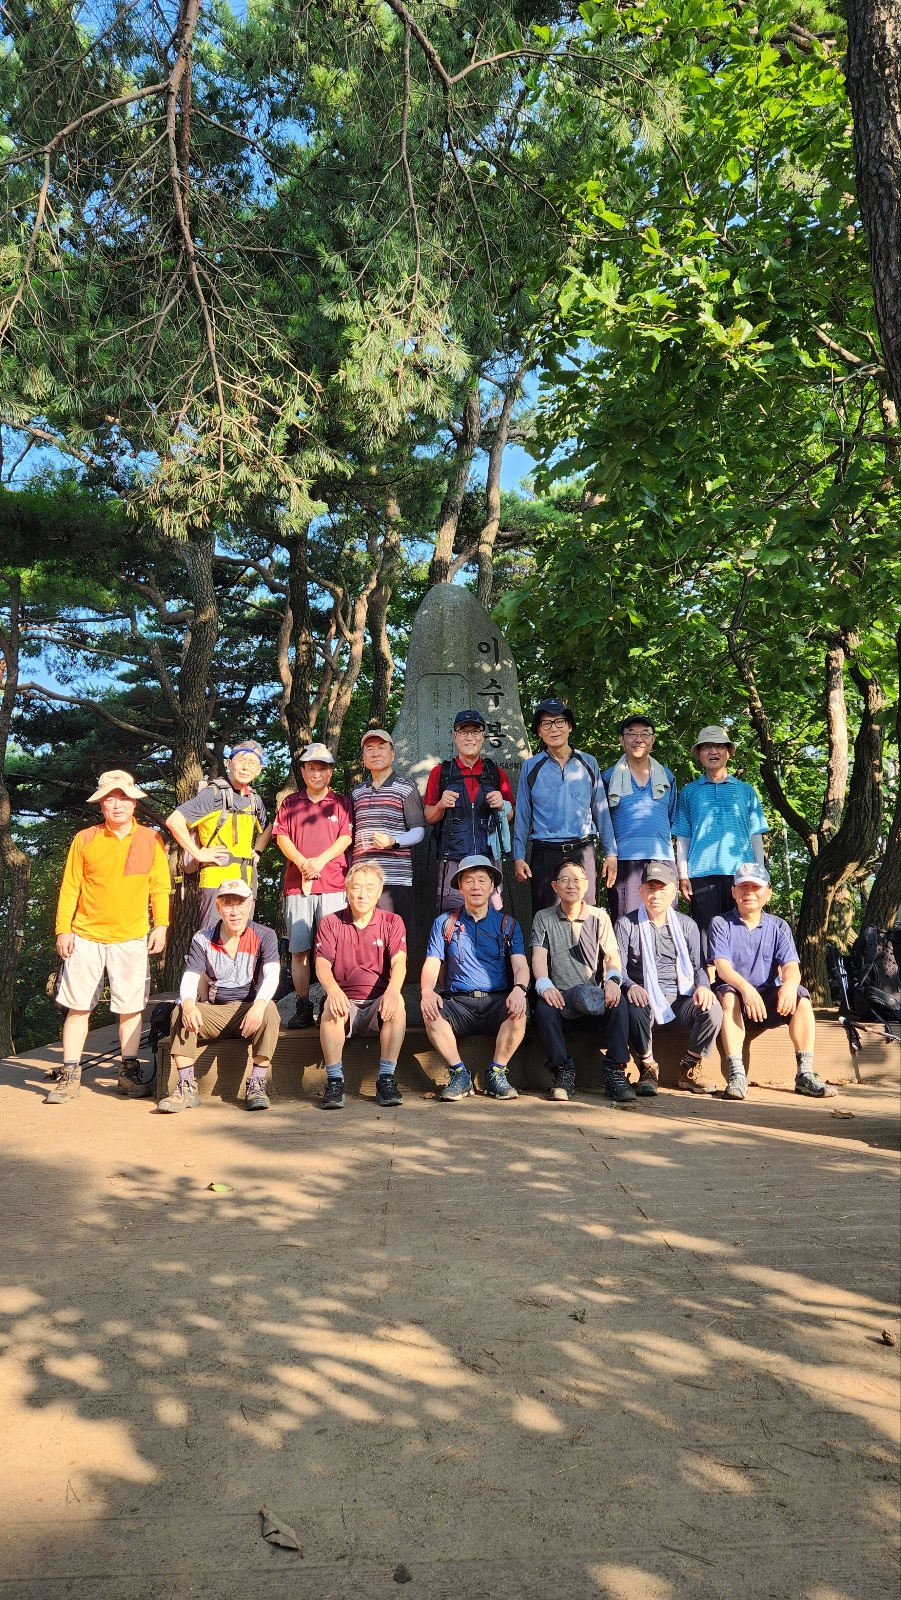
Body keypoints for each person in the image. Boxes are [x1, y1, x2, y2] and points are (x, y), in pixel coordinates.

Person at [48, 769, 171, 1105]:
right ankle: (70, 1074)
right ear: (101, 804)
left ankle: (128, 1072)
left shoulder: (151, 839)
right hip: (85, 936)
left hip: (132, 936)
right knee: (77, 1007)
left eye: (124, 798)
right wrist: (63, 929)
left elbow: (160, 887)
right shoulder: (85, 838)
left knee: (130, 1007)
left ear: (134, 802)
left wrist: (161, 924)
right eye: (110, 799)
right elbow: (70, 887)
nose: (117, 805)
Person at [709, 863, 837, 1101]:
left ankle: (805, 1073)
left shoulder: (779, 926)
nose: (749, 892)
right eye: (743, 887)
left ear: (768, 892)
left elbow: (791, 966)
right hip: (734, 997)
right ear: (733, 892)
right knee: (729, 996)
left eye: (755, 887)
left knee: (801, 997)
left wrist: (789, 986)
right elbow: (723, 968)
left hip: (767, 1000)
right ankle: (737, 1075)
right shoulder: (720, 923)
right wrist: (746, 990)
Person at [159, 880, 282, 1113]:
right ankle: (186, 1086)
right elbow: (191, 977)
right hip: (215, 1011)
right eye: (228, 904)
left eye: (240, 904)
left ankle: (257, 1084)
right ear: (218, 907)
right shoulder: (202, 938)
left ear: (251, 905)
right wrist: (189, 1004)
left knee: (270, 1009)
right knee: (180, 1011)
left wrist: (258, 1005)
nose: (235, 911)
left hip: (249, 1010)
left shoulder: (265, 935)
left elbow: (272, 975)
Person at [420, 855, 529, 1102]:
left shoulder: (507, 924)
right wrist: (427, 991)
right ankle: (459, 1075)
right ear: (460, 887)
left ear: (492, 886)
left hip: (497, 1001)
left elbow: (520, 966)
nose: (476, 886)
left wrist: (519, 990)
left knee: (520, 1013)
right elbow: (432, 963)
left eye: (482, 880)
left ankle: (496, 1074)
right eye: (469, 881)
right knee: (430, 1012)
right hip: (458, 1003)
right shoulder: (445, 923)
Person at [616, 861, 723, 1097]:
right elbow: (618, 968)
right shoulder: (626, 924)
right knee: (634, 1006)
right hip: (645, 998)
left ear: (674, 892)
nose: (656, 895)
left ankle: (689, 1066)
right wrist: (630, 986)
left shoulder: (687, 925)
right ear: (641, 891)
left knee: (712, 1008)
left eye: (662, 888)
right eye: (650, 888)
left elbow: (698, 968)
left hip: (681, 999)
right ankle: (648, 1067)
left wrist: (703, 987)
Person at [530, 860, 633, 1103]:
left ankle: (615, 1072)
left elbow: (612, 955)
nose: (571, 885)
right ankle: (563, 1072)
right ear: (554, 886)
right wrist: (545, 986)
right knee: (544, 1007)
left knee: (618, 1002)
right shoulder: (543, 917)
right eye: (564, 880)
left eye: (577, 880)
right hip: (562, 1000)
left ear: (586, 885)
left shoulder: (600, 916)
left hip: (593, 999)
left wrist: (613, 980)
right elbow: (538, 957)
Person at [314, 862, 407, 1110]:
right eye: (356, 887)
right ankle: (334, 1081)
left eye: (369, 888)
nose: (362, 894)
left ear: (379, 892)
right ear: (347, 890)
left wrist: (393, 991)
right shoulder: (330, 922)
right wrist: (333, 990)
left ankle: (386, 1078)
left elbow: (399, 962)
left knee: (398, 1003)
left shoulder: (392, 921)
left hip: (378, 1005)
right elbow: (322, 965)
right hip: (346, 1004)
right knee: (331, 1005)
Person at [272, 744, 353, 1029]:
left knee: (336, 949)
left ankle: (333, 1002)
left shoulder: (342, 803)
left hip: (334, 884)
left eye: (322, 768)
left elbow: (346, 838)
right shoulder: (290, 803)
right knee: (299, 949)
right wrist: (302, 863)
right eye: (311, 768)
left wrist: (318, 861)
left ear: (330, 772)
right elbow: (281, 837)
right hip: (298, 886)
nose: (317, 773)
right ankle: (303, 1005)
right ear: (303, 771)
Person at [672, 725, 770, 961]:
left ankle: (742, 982)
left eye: (718, 746)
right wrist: (683, 875)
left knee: (742, 934)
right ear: (699, 754)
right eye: (706, 747)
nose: (713, 751)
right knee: (706, 938)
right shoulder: (689, 792)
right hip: (700, 875)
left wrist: (761, 874)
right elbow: (683, 836)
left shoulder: (746, 791)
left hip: (742, 875)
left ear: (728, 752)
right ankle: (709, 983)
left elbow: (756, 834)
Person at [513, 697, 617, 914]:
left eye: (559, 721)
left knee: (585, 916)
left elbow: (601, 811)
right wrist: (518, 857)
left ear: (569, 726)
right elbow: (522, 814)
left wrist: (611, 853)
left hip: (583, 849)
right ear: (539, 731)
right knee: (545, 918)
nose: (554, 729)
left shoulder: (588, 763)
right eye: (546, 723)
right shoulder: (531, 767)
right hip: (545, 852)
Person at [165, 741, 271, 929]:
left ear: (259, 770)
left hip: (246, 880)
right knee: (213, 937)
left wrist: (258, 851)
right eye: (241, 760)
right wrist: (198, 854)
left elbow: (267, 827)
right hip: (217, 880)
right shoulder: (213, 795)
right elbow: (174, 820)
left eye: (252, 763)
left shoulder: (255, 799)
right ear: (229, 763)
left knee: (242, 939)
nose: (246, 767)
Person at [423, 708, 515, 910]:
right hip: (453, 859)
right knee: (453, 917)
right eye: (464, 731)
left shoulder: (495, 773)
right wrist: (440, 805)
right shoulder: (441, 773)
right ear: (455, 736)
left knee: (490, 917)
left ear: (483, 736)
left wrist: (502, 805)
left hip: (489, 861)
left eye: (475, 731)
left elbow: (511, 816)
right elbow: (429, 817)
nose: (470, 737)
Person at [603, 714, 678, 920]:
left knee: (665, 921)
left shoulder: (667, 777)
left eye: (645, 734)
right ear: (621, 739)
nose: (639, 739)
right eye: (631, 734)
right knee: (627, 921)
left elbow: (670, 818)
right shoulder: (609, 777)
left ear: (653, 739)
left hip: (662, 857)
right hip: (624, 861)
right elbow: (603, 822)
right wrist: (610, 854)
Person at [350, 729, 425, 925]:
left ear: (392, 754)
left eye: (381, 748)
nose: (375, 753)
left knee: (394, 936)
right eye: (370, 749)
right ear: (364, 757)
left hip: (395, 879)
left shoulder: (406, 787)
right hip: (360, 881)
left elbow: (419, 830)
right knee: (361, 937)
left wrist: (394, 841)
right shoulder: (357, 792)